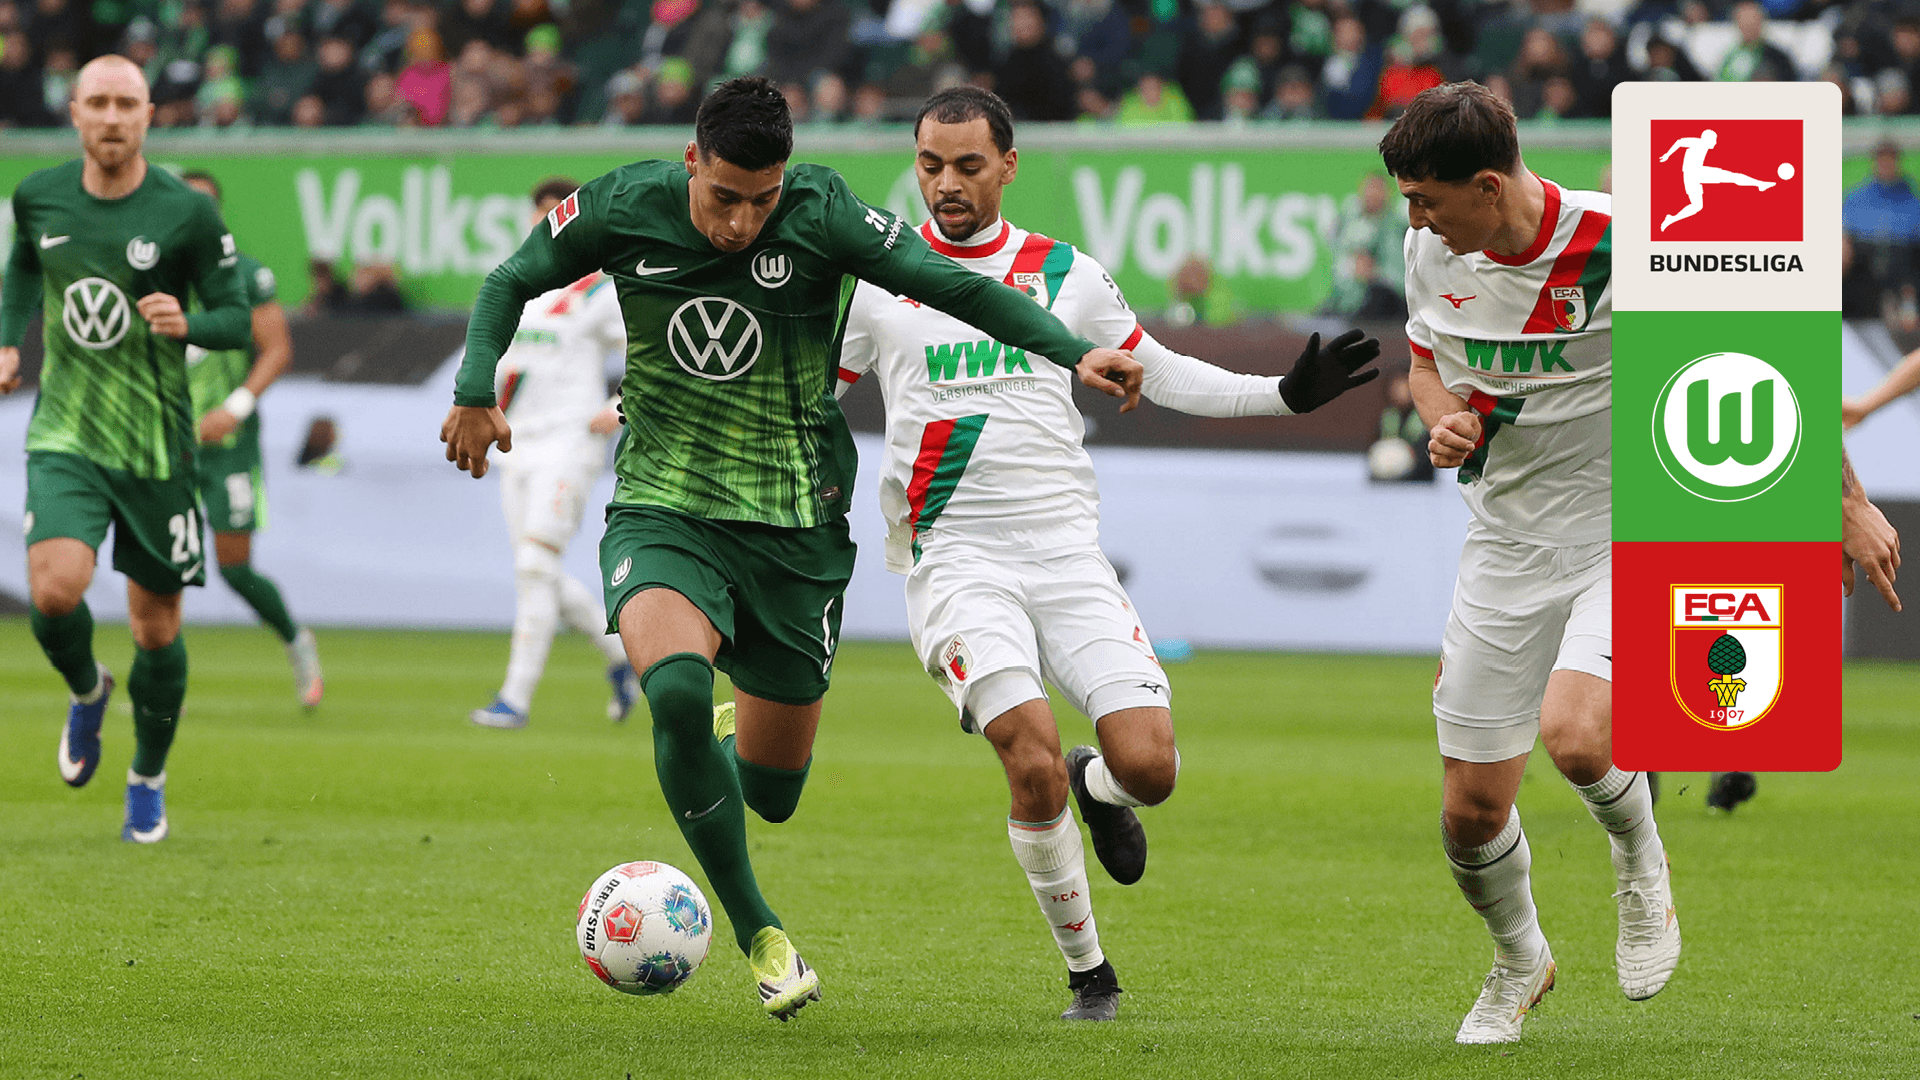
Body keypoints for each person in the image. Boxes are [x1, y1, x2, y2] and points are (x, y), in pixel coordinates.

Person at [438, 76, 1145, 1022]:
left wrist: (1069, 350)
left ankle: (736, 734)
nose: (741, 223)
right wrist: (474, 386)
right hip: (664, 506)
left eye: (761, 201)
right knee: (675, 693)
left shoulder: (822, 212)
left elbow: (952, 284)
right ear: (692, 161)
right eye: (724, 198)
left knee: (773, 794)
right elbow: (509, 280)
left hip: (794, 530)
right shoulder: (622, 204)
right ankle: (760, 934)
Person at [835, 86, 1380, 1022]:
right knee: (1028, 755)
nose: (946, 184)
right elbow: (804, 388)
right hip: (955, 559)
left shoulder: (1066, 273)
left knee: (1151, 768)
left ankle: (1100, 786)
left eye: (968, 165)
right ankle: (1090, 974)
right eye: (930, 165)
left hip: (1065, 556)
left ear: (1008, 166)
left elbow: (1157, 371)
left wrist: (1282, 396)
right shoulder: (885, 282)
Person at [1381, 81, 1678, 1044]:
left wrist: (1843, 503)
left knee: (1578, 736)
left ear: (1487, 184)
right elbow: (1425, 363)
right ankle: (1520, 960)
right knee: (1470, 814)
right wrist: (1444, 420)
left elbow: (1760, 351)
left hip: (1626, 531)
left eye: (1426, 199)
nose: (1414, 220)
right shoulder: (1431, 251)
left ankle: (1641, 866)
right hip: (1505, 544)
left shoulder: (1623, 242)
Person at [0, 56, 253, 843]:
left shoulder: (187, 213)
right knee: (54, 591)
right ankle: (86, 690)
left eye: (127, 104)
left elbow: (237, 319)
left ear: (149, 115)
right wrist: (7, 341)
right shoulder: (39, 196)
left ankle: (147, 776)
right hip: (66, 432)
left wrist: (190, 323)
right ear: (74, 111)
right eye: (98, 103)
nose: (112, 117)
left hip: (156, 446)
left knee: (156, 631)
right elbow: (22, 269)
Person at [469, 176, 639, 730]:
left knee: (534, 565)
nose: (547, 222)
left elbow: (651, 351)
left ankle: (514, 700)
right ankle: (621, 657)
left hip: (570, 443)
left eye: (558, 212)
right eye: (540, 212)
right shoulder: (519, 285)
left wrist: (619, 406)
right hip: (516, 445)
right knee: (536, 570)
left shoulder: (598, 292)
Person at [179, 170, 325, 709]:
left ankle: (295, 639)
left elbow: (277, 348)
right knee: (157, 565)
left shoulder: (245, 275)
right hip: (164, 444)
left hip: (228, 445)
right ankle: (159, 677)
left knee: (234, 567)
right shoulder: (150, 274)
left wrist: (234, 408)